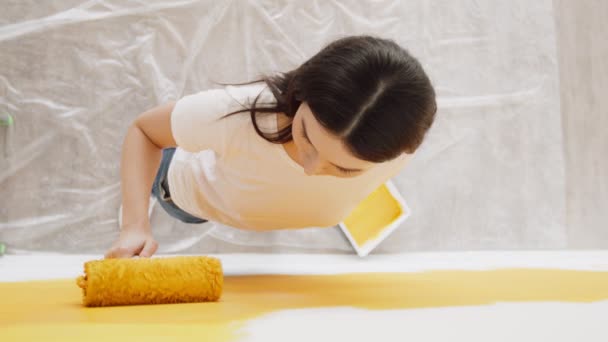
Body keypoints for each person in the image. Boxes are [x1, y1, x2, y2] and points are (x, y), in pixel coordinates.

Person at [104, 35, 437, 259]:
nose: (310, 169)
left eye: (344, 167)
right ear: (301, 91)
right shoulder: (235, 114)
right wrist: (134, 226)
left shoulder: (401, 147)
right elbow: (145, 132)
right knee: (171, 180)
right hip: (189, 192)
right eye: (306, 137)